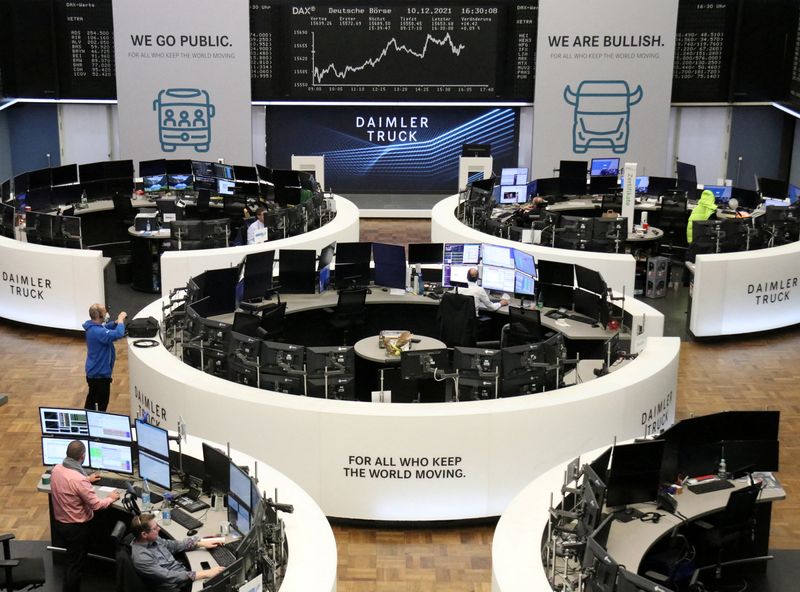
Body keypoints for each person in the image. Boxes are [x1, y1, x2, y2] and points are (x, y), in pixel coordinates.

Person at [50, 440, 121, 592]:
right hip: (76, 528)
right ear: (82, 457)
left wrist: (87, 480)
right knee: (75, 566)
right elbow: (96, 505)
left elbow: (69, 485)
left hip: (61, 524)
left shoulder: (56, 469)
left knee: (71, 561)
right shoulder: (78, 479)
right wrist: (111, 497)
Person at [131, 513, 225, 591]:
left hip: (182, 573)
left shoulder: (152, 539)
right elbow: (168, 576)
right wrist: (205, 573)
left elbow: (173, 545)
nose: (159, 529)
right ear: (144, 534)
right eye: (155, 528)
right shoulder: (141, 558)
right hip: (176, 586)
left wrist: (200, 543)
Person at [83, 303, 127, 411]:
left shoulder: (93, 327)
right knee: (101, 404)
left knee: (92, 399)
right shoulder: (98, 332)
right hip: (100, 376)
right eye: (104, 311)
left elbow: (105, 327)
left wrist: (115, 322)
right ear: (99, 316)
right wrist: (120, 319)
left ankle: (87, 419)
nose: (107, 313)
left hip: (94, 373)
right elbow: (119, 333)